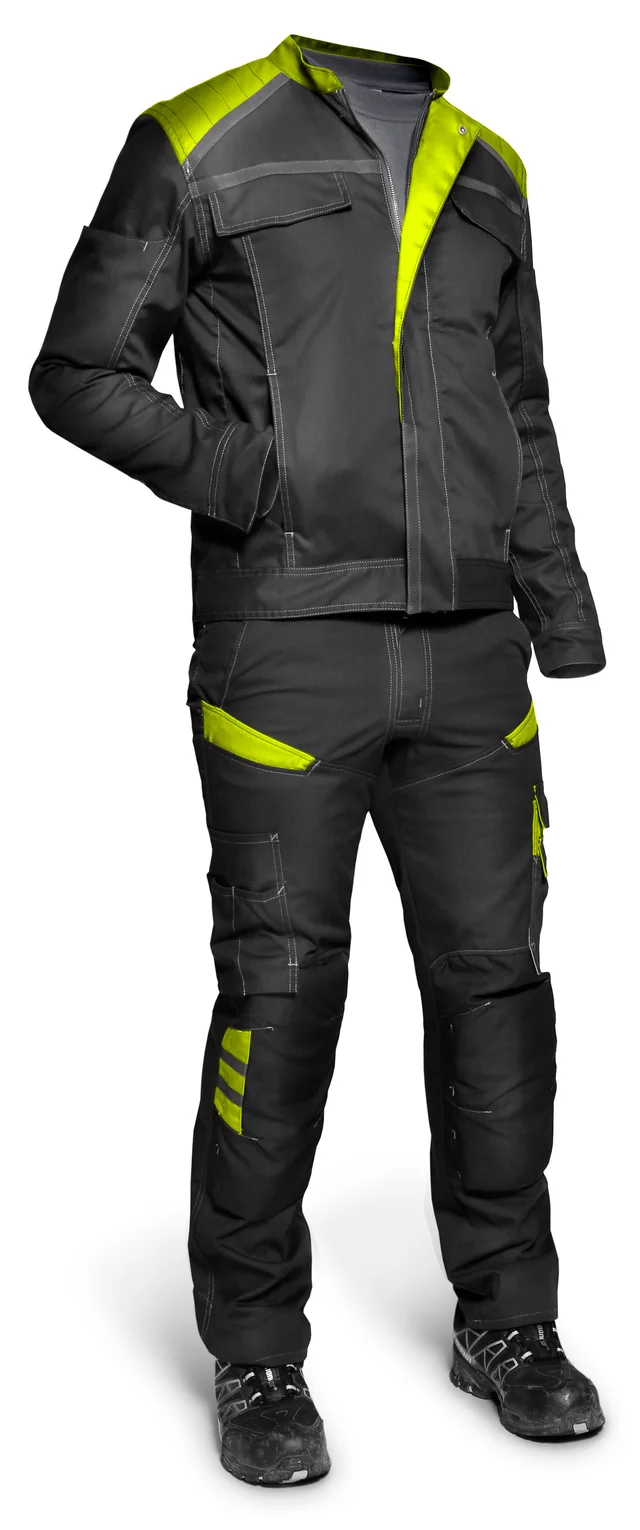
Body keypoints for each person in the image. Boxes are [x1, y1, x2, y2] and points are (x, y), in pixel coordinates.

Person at [29, 32, 606, 1485]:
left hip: (472, 656)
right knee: (283, 987)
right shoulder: (202, 136)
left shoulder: (489, 169)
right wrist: (258, 476)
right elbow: (78, 371)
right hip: (285, 647)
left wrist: (559, 609)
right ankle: (255, 1347)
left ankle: (510, 1321)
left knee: (499, 985)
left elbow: (521, 407)